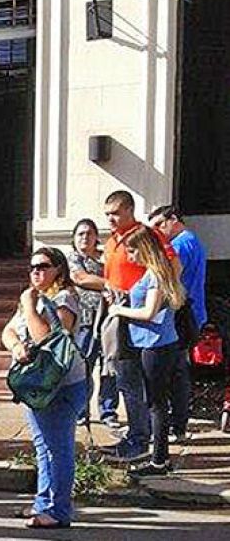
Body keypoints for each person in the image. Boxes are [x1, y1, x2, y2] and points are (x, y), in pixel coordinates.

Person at [0, 247, 85, 529]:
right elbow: (8, 331)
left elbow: (48, 339)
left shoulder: (64, 298)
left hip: (61, 385)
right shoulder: (33, 296)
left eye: (43, 266)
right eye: (32, 267)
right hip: (36, 384)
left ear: (58, 269)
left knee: (58, 448)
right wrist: (16, 346)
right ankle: (43, 502)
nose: (36, 272)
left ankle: (59, 510)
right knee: (43, 446)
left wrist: (27, 305)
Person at [100, 190, 176, 463]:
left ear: (130, 211)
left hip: (140, 318)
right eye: (107, 213)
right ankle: (136, 435)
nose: (110, 218)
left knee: (137, 383)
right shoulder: (112, 240)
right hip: (122, 309)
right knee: (121, 376)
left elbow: (170, 266)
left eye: (115, 213)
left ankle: (142, 441)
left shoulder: (145, 236)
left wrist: (150, 296)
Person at [108, 228, 187, 477]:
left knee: (156, 404)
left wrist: (118, 310)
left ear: (145, 249)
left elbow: (148, 312)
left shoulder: (155, 274)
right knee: (158, 402)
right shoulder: (159, 271)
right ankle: (159, 458)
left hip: (156, 345)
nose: (130, 256)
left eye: (132, 251)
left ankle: (159, 461)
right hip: (157, 343)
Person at [149, 204, 207, 443]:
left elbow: (168, 275)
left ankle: (176, 424)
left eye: (160, 224)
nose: (158, 232)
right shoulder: (194, 241)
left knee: (174, 373)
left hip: (181, 314)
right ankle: (179, 424)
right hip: (191, 312)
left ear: (173, 219)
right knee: (180, 370)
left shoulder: (180, 245)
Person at [67, 219, 119, 428]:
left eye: (89, 233)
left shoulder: (106, 257)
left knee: (110, 365)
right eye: (80, 234)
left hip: (110, 318)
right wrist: (110, 285)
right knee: (84, 366)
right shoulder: (73, 259)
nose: (85, 238)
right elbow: (80, 278)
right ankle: (81, 411)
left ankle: (108, 411)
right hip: (85, 321)